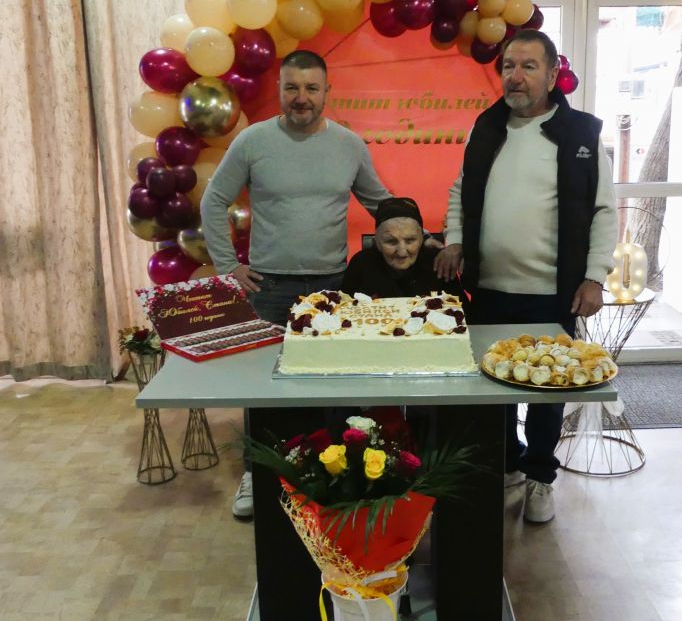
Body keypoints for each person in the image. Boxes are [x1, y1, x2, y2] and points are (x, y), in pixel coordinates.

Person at [435, 29, 617, 524]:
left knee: (546, 391)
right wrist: (455, 240)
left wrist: (595, 276)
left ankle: (540, 476)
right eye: (508, 66)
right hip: (488, 289)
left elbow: (603, 210)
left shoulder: (580, 134)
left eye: (528, 66)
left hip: (551, 295)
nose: (515, 76)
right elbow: (460, 190)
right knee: (491, 386)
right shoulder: (486, 127)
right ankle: (507, 460)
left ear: (553, 75)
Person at [200, 49, 392, 519]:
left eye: (311, 88)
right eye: (291, 87)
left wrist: (420, 236)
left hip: (332, 287)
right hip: (267, 289)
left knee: (331, 388)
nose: (301, 97)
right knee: (263, 389)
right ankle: (256, 473)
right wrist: (227, 267)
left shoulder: (349, 145)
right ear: (280, 91)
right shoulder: (252, 141)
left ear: (327, 92)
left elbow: (380, 203)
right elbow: (213, 200)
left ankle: (330, 472)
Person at [342, 196, 461, 299]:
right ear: (377, 241)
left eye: (410, 240)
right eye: (391, 242)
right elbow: (343, 309)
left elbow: (462, 312)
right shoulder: (361, 264)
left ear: (421, 239)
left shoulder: (440, 264)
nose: (402, 252)